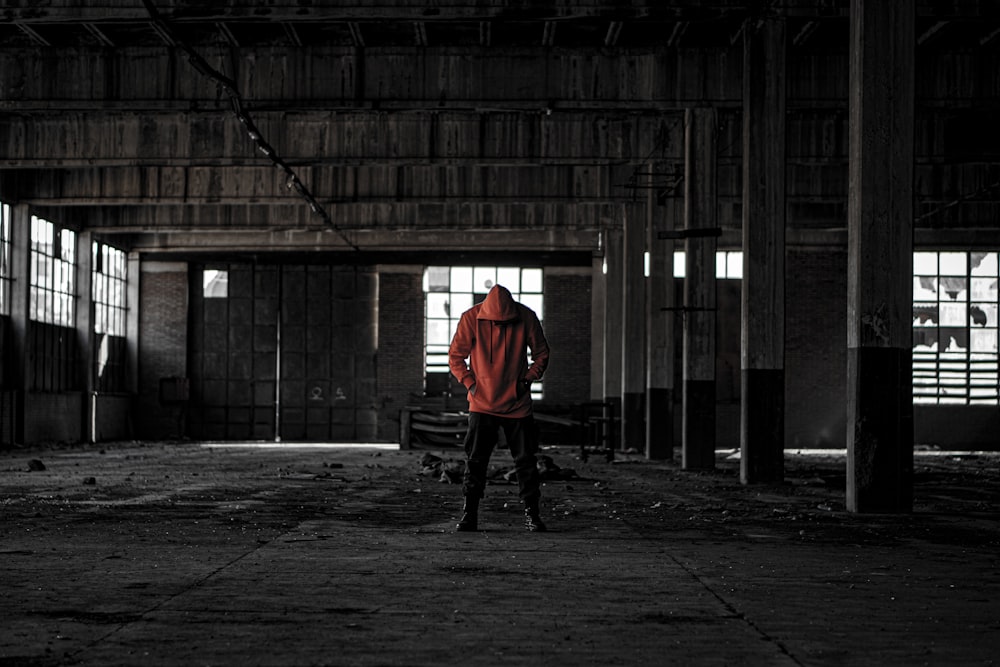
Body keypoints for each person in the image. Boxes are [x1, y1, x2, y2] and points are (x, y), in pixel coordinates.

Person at [448, 283, 550, 532]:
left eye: (507, 322)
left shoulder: (526, 317)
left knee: (525, 461)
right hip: (482, 405)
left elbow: (542, 354)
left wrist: (527, 380)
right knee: (475, 461)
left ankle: (532, 514)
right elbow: (455, 357)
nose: (502, 325)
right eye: (497, 322)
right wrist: (471, 384)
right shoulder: (471, 318)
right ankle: (469, 514)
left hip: (518, 405)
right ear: (486, 314)